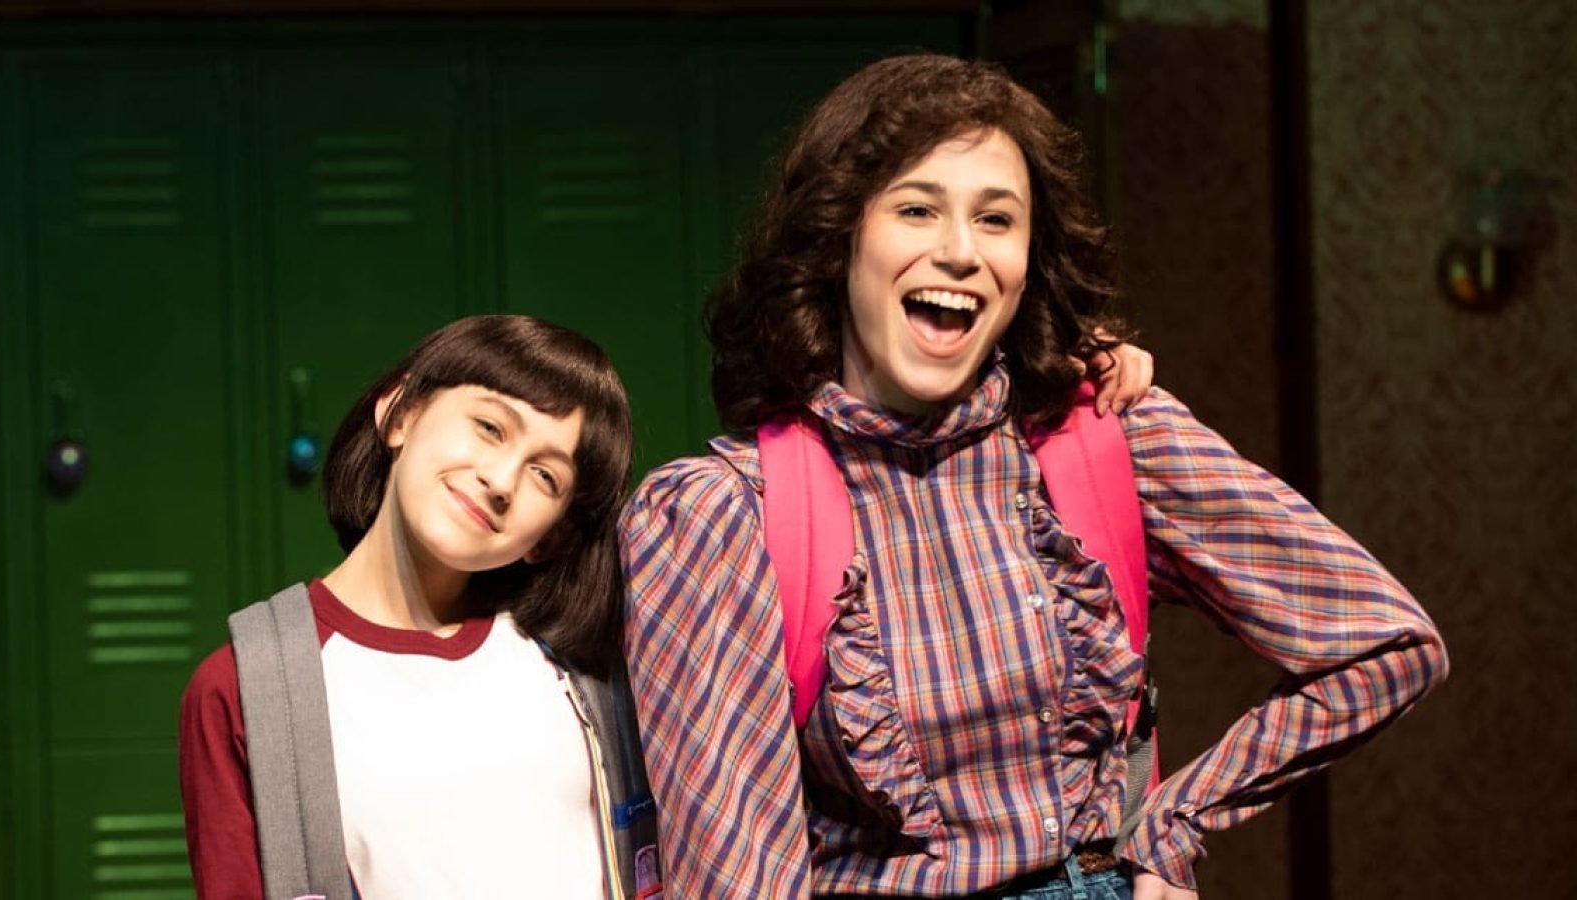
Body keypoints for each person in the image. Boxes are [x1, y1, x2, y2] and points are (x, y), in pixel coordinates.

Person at [620, 54, 1447, 899]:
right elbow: (737, 878)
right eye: (916, 209)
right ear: (838, 241)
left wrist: (1172, 823)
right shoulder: (721, 518)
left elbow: (1384, 643)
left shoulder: (1110, 440)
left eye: (996, 220)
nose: (958, 252)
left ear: (1028, 263)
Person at [180, 315, 649, 899]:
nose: (501, 479)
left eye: (545, 475)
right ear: (400, 412)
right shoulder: (249, 687)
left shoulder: (579, 672)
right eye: (489, 427)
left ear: (550, 537)